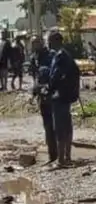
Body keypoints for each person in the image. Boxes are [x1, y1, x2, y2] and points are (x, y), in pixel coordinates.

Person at [45, 31, 81, 167]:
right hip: (66, 95)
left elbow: (56, 77)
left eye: (49, 40)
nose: (47, 43)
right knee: (66, 125)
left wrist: (48, 89)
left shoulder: (60, 56)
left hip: (59, 96)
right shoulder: (66, 55)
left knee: (60, 127)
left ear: (54, 41)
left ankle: (61, 160)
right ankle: (67, 156)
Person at [29, 35, 56, 163]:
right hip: (41, 95)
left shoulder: (51, 55)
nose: (34, 45)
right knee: (47, 125)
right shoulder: (34, 58)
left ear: (42, 43)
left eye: (36, 42)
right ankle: (52, 154)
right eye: (33, 43)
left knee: (54, 125)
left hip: (52, 94)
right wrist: (34, 92)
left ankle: (57, 154)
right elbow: (35, 77)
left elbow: (54, 74)